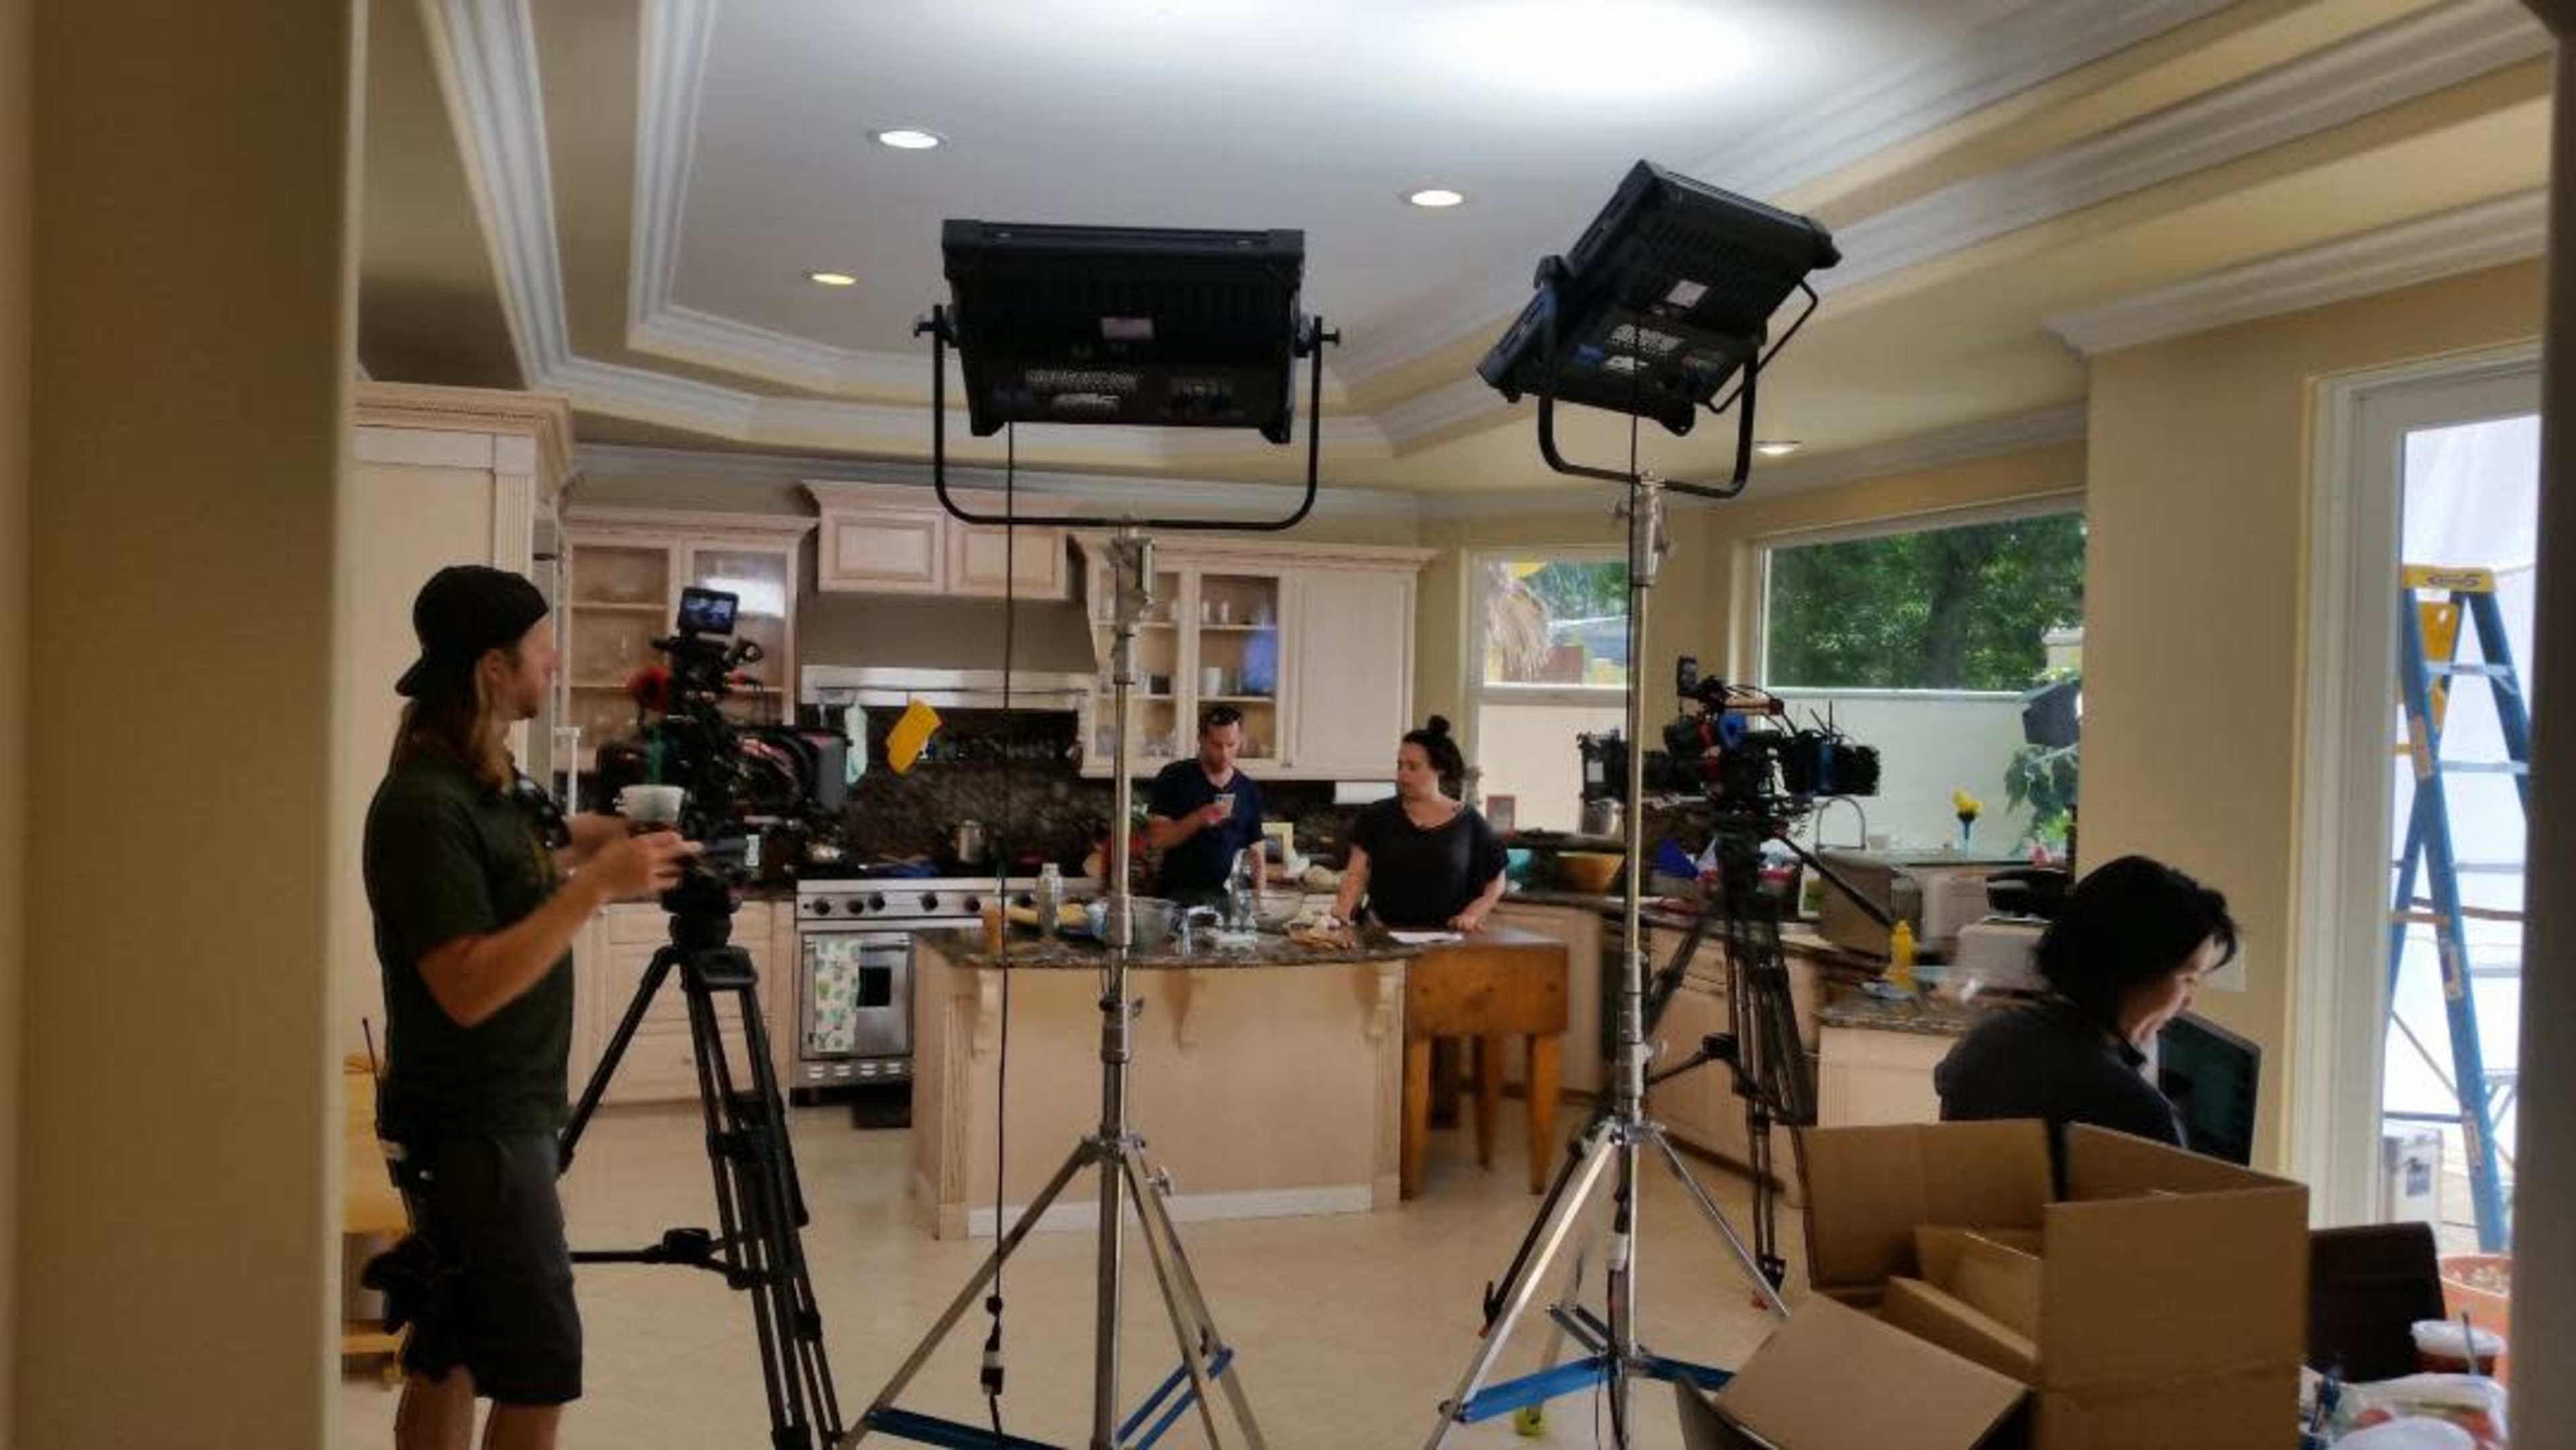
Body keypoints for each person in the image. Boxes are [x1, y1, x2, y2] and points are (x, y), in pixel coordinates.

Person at [364, 565, 698, 1450]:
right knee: (542, 1360)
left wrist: (627, 835)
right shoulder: (423, 806)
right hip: (476, 1124)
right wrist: (595, 889)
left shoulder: (489, 783)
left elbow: (554, 838)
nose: (554, 663)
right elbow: (466, 983)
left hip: (497, 1118)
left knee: (453, 1346)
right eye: (541, 648)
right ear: (492, 669)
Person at [1934, 854, 2237, 1153]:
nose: (2187, 1003)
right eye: (2188, 979)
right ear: (2134, 969)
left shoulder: (1984, 1040)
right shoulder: (2137, 1111)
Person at [1331, 716, 1508, 934]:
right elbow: (1356, 874)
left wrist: (1473, 913)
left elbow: (1497, 880)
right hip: (1382, 936)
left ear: (1439, 770)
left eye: (1413, 767)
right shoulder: (1375, 816)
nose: (1402, 774)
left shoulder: (1470, 823)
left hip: (1447, 941)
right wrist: (1343, 910)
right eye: (1400, 765)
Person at [1144, 704, 1267, 907]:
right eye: (1217, 745)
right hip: (1179, 897)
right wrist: (1198, 819)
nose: (1225, 754)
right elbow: (1158, 839)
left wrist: (1260, 904)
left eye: (1232, 745)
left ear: (1240, 741)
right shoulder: (1174, 777)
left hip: (1230, 901)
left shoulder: (1248, 790)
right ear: (1201, 740)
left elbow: (1257, 855)